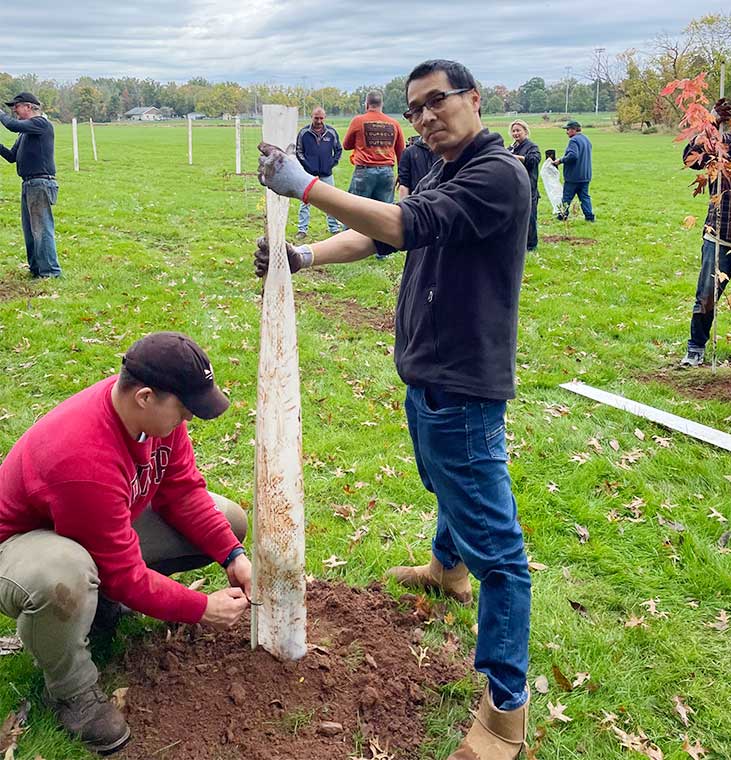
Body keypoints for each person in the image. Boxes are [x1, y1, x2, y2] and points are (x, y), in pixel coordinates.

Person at [257, 58, 531, 760]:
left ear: (474, 98)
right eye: (415, 108)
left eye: (438, 101)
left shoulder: (498, 173)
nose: (426, 116)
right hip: (428, 372)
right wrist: (305, 256)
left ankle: (507, 713)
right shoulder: (440, 165)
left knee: (501, 555)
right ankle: (447, 569)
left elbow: (409, 224)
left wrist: (309, 186)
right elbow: (382, 233)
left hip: (464, 384)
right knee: (447, 483)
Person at [0, 332, 251, 753]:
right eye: (184, 410)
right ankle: (72, 694)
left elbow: (184, 492)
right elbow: (122, 575)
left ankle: (95, 607)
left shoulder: (155, 421)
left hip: (90, 527)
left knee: (228, 520)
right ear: (145, 397)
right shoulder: (83, 457)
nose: (187, 419)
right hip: (20, 547)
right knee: (65, 575)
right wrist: (202, 609)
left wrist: (232, 554)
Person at [680, 99, 731, 374]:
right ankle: (696, 348)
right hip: (721, 234)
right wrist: (712, 121)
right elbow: (691, 158)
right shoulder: (723, 143)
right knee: (706, 296)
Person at [0, 92, 63, 278]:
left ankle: (51, 272)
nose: (14, 111)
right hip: (29, 184)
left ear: (28, 107)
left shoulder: (41, 123)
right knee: (30, 231)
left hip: (40, 183)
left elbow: (11, 125)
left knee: (42, 230)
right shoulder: (25, 132)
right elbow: (12, 157)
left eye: (16, 107)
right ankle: (36, 270)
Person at [343, 90, 405, 203]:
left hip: (364, 171)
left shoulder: (358, 121)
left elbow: (346, 145)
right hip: (387, 172)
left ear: (366, 104)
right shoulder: (394, 123)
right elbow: (401, 152)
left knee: (357, 209)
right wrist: (402, 174)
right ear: (382, 105)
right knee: (384, 211)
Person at [295, 107, 342, 238]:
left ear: (325, 118)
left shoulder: (331, 132)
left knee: (331, 201)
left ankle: (334, 228)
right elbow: (299, 152)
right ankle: (302, 230)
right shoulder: (304, 133)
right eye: (316, 118)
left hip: (327, 174)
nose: (319, 121)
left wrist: (332, 163)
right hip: (308, 174)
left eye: (321, 118)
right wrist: (308, 168)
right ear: (312, 117)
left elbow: (338, 150)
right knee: (305, 202)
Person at [508, 119, 541, 250]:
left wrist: (517, 158)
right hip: (515, 187)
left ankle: (531, 245)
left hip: (529, 187)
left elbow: (534, 160)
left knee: (530, 217)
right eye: (513, 131)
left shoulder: (532, 147)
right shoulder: (512, 147)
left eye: (518, 130)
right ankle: (518, 242)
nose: (516, 133)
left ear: (525, 132)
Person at [553, 119, 594, 222]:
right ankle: (589, 217)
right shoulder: (586, 139)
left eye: (568, 129)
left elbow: (573, 156)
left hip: (573, 176)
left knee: (566, 198)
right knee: (585, 197)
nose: (566, 132)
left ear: (574, 130)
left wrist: (560, 160)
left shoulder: (573, 140)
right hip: (585, 175)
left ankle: (562, 216)